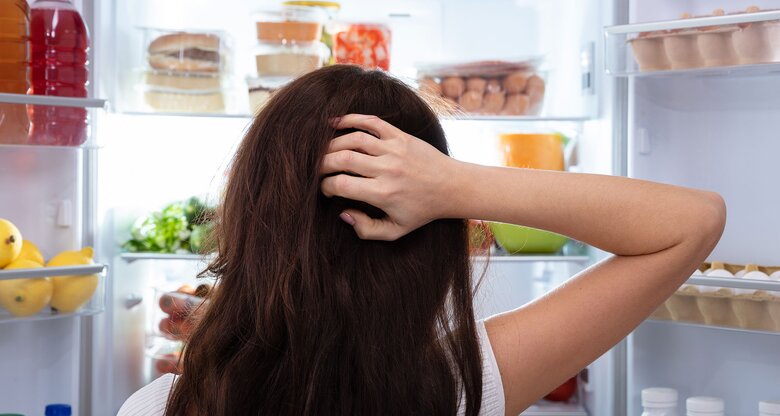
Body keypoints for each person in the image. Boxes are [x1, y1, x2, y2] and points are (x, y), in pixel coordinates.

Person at [118, 65, 725, 416]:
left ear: (252, 216)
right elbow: (691, 221)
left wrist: (245, 330)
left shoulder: (158, 408)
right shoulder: (462, 384)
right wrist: (456, 185)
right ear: (435, 240)